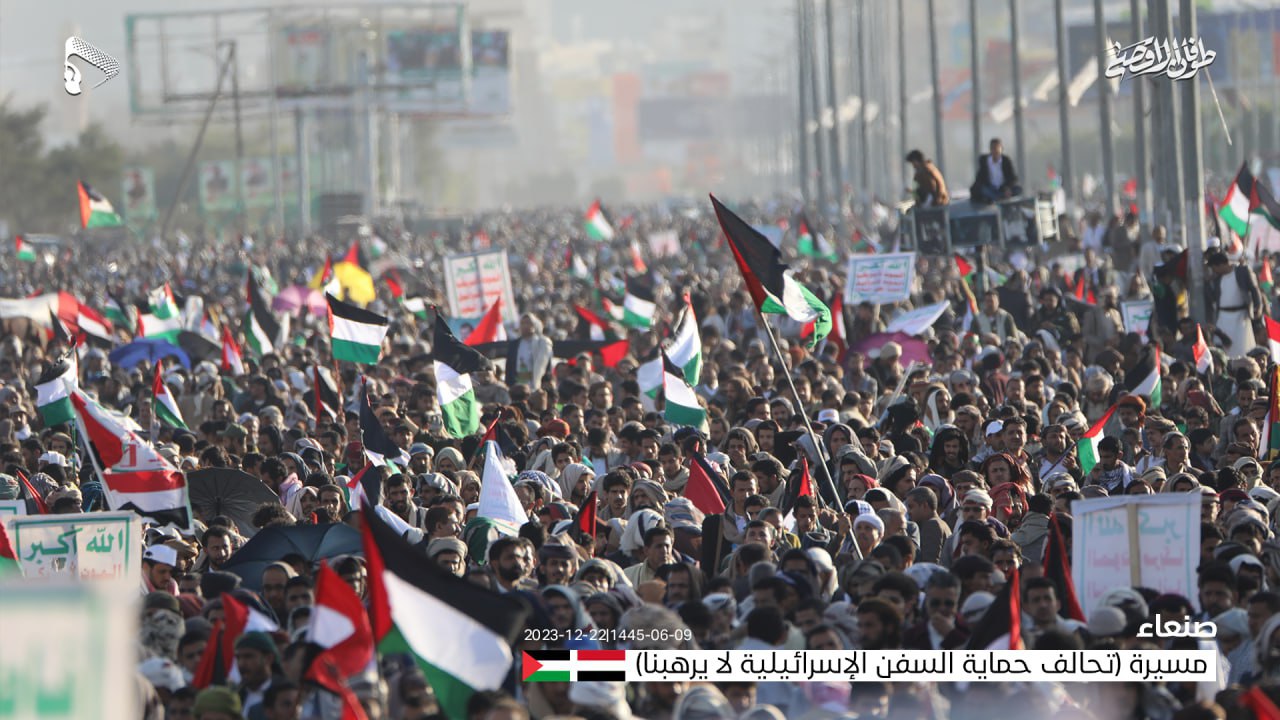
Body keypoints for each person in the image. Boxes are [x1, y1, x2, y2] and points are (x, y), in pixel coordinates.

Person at [1206, 248, 1263, 356]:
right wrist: (1208, 283)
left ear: (1221, 265)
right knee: (1222, 345)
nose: (1214, 271)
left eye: (1214, 268)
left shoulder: (1242, 271)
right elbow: (1213, 298)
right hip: (1223, 317)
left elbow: (1254, 289)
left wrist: (1258, 307)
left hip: (1241, 316)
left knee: (1241, 347)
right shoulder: (1216, 279)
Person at [969, 138, 1021, 203]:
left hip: (1002, 188)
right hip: (990, 188)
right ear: (990, 149)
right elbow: (980, 179)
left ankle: (1000, 197)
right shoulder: (984, 161)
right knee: (984, 190)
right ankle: (997, 198)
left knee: (1018, 189)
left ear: (1001, 149)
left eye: (997, 149)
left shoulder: (1006, 161)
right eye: (993, 148)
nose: (995, 151)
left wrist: (1008, 187)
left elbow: (1012, 177)